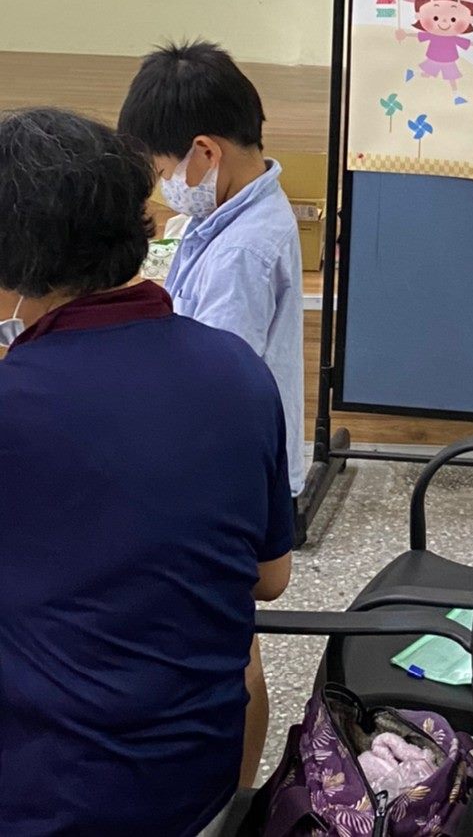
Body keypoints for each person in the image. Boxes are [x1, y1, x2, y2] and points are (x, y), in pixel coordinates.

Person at [0, 109, 293, 837]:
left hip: (47, 796)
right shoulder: (237, 371)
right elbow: (270, 578)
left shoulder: (16, 400)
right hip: (195, 779)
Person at [118, 39, 305, 782]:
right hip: (237, 453)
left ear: (204, 151)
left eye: (164, 169)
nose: (166, 186)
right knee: (233, 641)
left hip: (227, 467)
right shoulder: (230, 208)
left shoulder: (243, 252)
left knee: (235, 648)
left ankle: (234, 793)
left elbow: (207, 384)